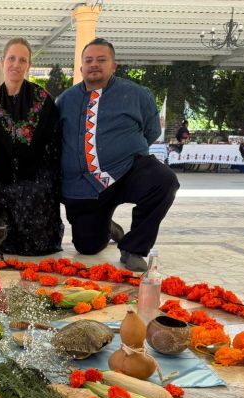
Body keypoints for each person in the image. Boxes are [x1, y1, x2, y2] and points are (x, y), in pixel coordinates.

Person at [57, 38, 178, 272]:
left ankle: (133, 248)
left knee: (164, 181)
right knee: (87, 247)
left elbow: (151, 131)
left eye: (101, 60)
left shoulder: (137, 95)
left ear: (114, 65)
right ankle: (107, 227)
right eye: (88, 60)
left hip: (127, 173)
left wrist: (123, 150)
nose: (94, 65)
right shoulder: (65, 100)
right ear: (81, 67)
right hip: (83, 186)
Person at [0, 37, 63, 256]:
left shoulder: (43, 100)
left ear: (29, 65)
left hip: (35, 184)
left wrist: (48, 181)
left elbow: (54, 144)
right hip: (0, 185)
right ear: (2, 61)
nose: (16, 64)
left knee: (37, 249)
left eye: (22, 60)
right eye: (11, 58)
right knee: (3, 247)